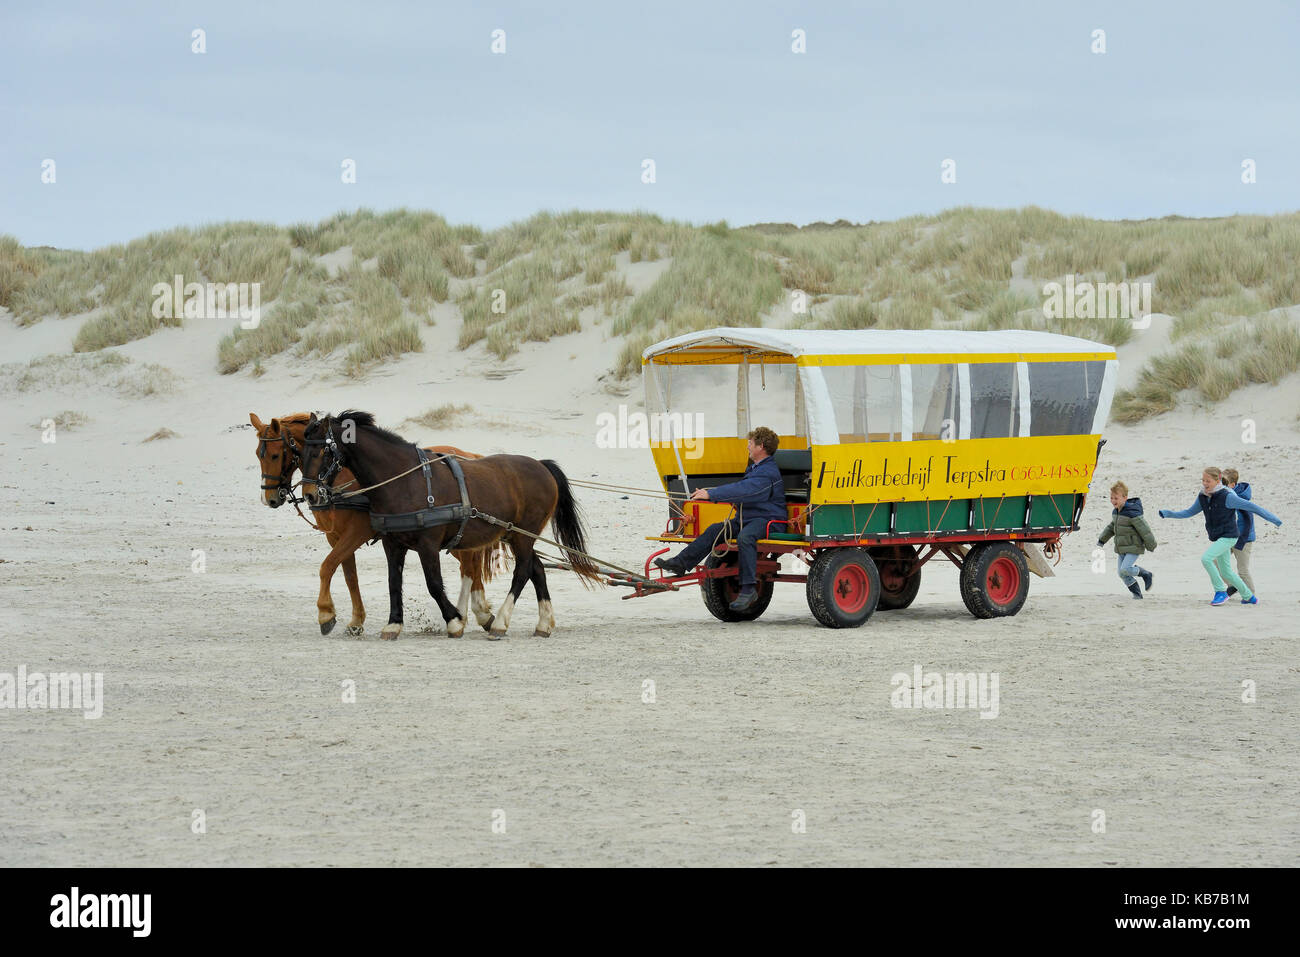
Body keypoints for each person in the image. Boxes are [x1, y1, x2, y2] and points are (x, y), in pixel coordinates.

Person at [654, 426, 787, 612]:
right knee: (715, 530)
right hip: (747, 518)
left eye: (750, 443)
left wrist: (711, 494)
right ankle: (680, 563)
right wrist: (713, 493)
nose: (747, 447)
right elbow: (741, 488)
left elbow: (747, 491)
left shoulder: (768, 472)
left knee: (746, 537)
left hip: (769, 520)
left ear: (760, 446)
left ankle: (749, 589)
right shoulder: (756, 468)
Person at [1158, 466, 1282, 606]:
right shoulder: (1203, 496)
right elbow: (1188, 512)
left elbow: (1253, 508)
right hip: (1219, 537)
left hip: (1230, 536)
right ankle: (1249, 596)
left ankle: (1220, 591)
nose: (1205, 483)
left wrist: (1275, 520)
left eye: (1208, 481)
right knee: (1226, 571)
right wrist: (1168, 513)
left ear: (1218, 481)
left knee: (1206, 558)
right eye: (1203, 480)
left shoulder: (1228, 496)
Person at [1098, 481, 1156, 599]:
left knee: (1125, 569)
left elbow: (1144, 530)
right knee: (1121, 573)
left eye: (1116, 498)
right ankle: (1137, 595)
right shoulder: (1116, 512)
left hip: (1133, 546)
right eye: (1111, 498)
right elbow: (1111, 527)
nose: (1113, 500)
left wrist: (1151, 544)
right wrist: (1102, 540)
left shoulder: (1132, 513)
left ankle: (1145, 573)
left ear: (1125, 498)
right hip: (1121, 547)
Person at [1220, 468, 1255, 598]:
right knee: (1213, 560)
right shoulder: (1224, 497)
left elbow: (1248, 522)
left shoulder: (1240, 500)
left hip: (1243, 540)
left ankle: (1251, 595)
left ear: (1232, 485)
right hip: (1229, 538)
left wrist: (1240, 542)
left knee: (1243, 571)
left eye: (1224, 483)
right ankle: (1233, 585)